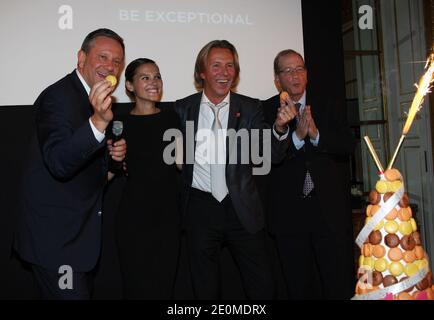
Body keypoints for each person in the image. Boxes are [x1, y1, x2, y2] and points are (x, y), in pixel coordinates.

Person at [174, 40, 294, 299]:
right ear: (202, 72)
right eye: (216, 65)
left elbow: (270, 154)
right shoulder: (183, 108)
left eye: (230, 66)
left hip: (240, 207)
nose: (224, 72)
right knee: (203, 288)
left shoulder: (250, 108)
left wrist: (281, 128)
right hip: (199, 208)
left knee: (262, 286)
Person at [13, 28, 127, 300]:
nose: (110, 66)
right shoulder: (58, 97)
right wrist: (99, 123)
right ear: (81, 58)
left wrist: (112, 162)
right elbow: (60, 163)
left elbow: (86, 171)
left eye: (117, 61)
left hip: (79, 240)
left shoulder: (96, 100)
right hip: (56, 242)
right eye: (103, 57)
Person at [262, 49, 355, 299]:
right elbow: (265, 159)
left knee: (336, 282)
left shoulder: (328, 103)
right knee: (298, 285)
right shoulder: (265, 110)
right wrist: (296, 138)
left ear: (307, 74)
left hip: (328, 212)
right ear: (277, 79)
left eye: (299, 69)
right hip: (289, 214)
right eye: (288, 71)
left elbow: (348, 144)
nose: (295, 76)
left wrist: (316, 136)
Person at [113, 58, 181, 299]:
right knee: (135, 287)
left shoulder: (174, 118)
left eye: (157, 76)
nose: (154, 82)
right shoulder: (120, 122)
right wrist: (114, 159)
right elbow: (111, 172)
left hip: (168, 217)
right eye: (145, 77)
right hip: (133, 218)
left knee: (164, 286)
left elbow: (182, 165)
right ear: (129, 86)